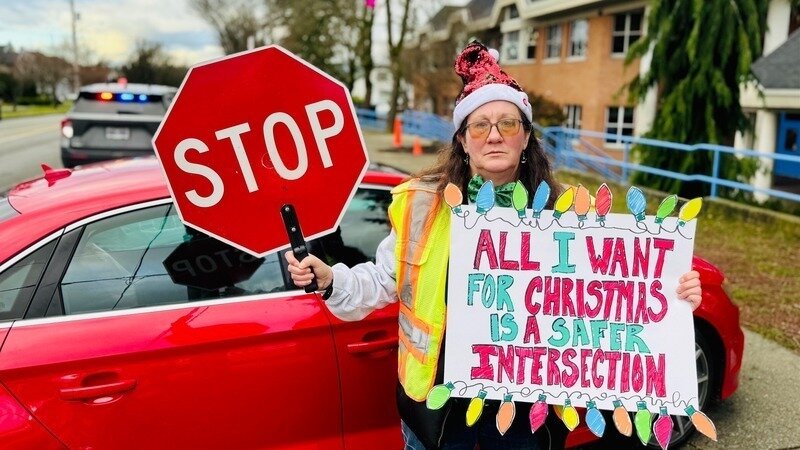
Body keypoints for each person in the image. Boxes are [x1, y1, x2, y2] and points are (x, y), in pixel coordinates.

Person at [286, 41, 703, 450]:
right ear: (463, 140)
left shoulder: (570, 214)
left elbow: (622, 293)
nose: (494, 136)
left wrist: (675, 293)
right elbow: (383, 280)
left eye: (508, 124)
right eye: (480, 125)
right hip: (438, 410)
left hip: (525, 412)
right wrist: (331, 279)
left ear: (526, 138)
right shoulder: (422, 205)